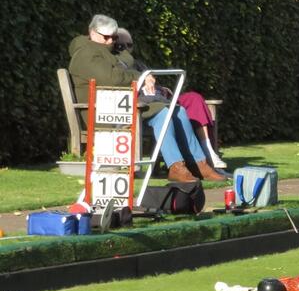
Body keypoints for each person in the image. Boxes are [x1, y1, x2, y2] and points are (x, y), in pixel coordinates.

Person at [68, 14, 226, 183]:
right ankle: (176, 166)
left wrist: (143, 77)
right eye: (106, 37)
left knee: (177, 111)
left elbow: (123, 72)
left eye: (113, 37)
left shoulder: (109, 51)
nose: (109, 41)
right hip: (104, 112)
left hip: (125, 106)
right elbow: (111, 78)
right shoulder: (85, 53)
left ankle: (198, 163)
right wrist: (141, 77)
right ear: (92, 32)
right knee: (164, 113)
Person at [113, 28, 227, 169]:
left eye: (129, 45)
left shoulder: (139, 63)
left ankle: (208, 150)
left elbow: (152, 84)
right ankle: (185, 161)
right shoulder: (116, 64)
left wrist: (161, 88)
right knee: (170, 110)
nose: (126, 49)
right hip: (146, 105)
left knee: (194, 98)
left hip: (160, 97)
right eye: (121, 46)